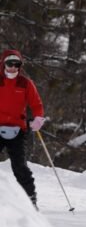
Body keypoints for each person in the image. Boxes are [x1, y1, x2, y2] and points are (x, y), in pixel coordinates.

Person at [0, 49, 45, 209]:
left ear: (20, 65)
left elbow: (36, 104)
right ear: (3, 63)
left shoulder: (25, 83)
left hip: (18, 130)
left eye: (16, 64)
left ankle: (30, 198)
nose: (12, 67)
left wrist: (38, 118)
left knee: (19, 166)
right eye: (9, 63)